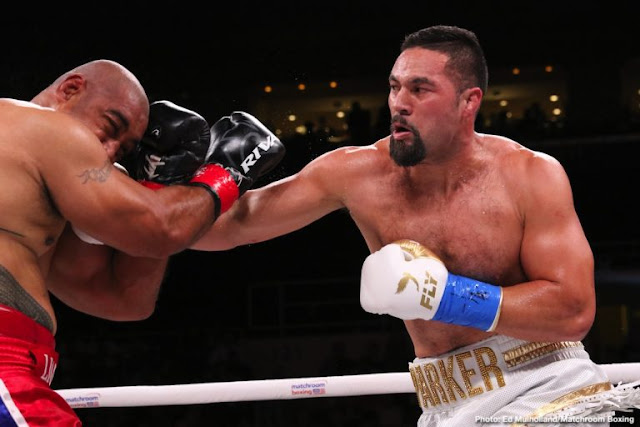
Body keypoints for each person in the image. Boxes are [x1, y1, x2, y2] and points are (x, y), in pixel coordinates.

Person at [193, 26, 639, 425]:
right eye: (394, 87)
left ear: (470, 101)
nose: (399, 104)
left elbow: (574, 310)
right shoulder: (355, 173)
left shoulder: (529, 175)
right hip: (442, 403)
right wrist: (203, 183)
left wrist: (445, 298)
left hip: (547, 386)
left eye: (420, 89)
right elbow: (223, 229)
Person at [0, 59, 283, 426]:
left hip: (24, 359)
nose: (106, 152)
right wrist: (226, 171)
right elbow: (161, 230)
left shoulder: (25, 197)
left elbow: (123, 298)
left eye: (122, 151)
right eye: (110, 128)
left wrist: (161, 185)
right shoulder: (43, 127)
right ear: (71, 90)